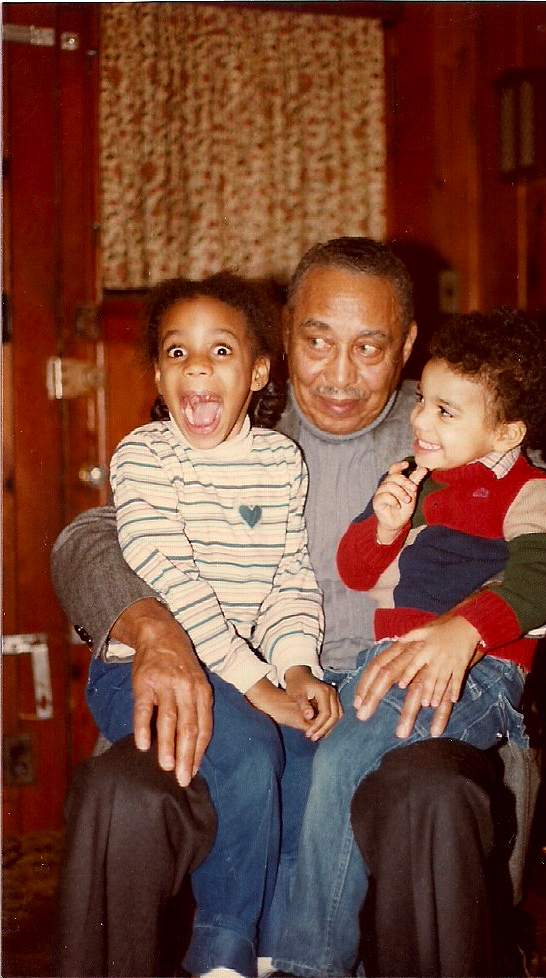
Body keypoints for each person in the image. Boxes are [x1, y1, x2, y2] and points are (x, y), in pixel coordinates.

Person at [52, 237, 546, 977]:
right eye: (318, 340)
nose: (338, 373)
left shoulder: (449, 432)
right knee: (122, 789)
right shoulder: (234, 420)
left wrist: (475, 622)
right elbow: (89, 537)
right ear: (283, 336)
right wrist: (149, 624)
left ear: (408, 347)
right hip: (242, 696)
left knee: (432, 793)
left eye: (370, 346)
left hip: (403, 700)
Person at [272, 309, 546, 976]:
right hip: (384, 662)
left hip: (482, 674)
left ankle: (310, 963)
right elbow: (357, 572)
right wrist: (382, 526)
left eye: (445, 412)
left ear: (506, 431)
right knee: (333, 760)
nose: (420, 423)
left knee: (344, 757)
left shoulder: (528, 490)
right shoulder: (414, 478)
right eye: (423, 404)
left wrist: (467, 630)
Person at [69, 271, 342, 978]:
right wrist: (258, 687)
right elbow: (173, 585)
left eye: (220, 352)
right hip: (140, 667)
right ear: (160, 374)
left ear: (257, 372)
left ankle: (277, 933)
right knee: (250, 748)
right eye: (177, 352)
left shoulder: (282, 462)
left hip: (242, 664)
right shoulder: (143, 458)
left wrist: (298, 670)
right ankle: (222, 946)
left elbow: (289, 578)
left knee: (310, 752)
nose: (197, 368)